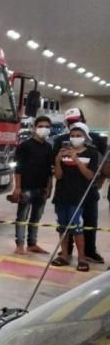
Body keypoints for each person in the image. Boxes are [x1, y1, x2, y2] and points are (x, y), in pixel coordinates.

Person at [52, 108, 107, 265]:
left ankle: (88, 252)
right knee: (65, 224)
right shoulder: (60, 141)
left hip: (88, 190)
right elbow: (56, 169)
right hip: (65, 191)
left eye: (77, 120)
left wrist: (101, 178)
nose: (74, 125)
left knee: (89, 222)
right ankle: (66, 252)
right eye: (70, 122)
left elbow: (103, 162)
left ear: (84, 119)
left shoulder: (97, 140)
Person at [11, 116, 54, 255]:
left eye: (47, 127)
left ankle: (32, 244)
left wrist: (49, 187)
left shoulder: (48, 147)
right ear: (34, 127)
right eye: (41, 126)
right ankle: (20, 245)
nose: (44, 129)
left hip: (41, 188)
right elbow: (18, 169)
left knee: (36, 217)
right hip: (26, 187)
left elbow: (49, 170)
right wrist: (17, 187)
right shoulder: (25, 146)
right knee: (22, 216)